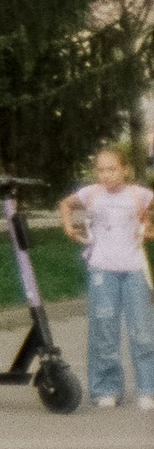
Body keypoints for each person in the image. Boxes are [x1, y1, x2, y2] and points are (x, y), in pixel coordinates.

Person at [58, 146, 154, 409]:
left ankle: (148, 389)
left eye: (112, 169)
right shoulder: (92, 194)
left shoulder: (139, 194)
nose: (106, 175)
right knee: (104, 331)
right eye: (101, 170)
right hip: (102, 270)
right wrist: (68, 226)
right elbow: (66, 204)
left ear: (125, 169)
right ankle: (105, 389)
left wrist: (149, 228)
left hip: (133, 269)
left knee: (143, 332)